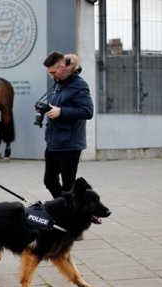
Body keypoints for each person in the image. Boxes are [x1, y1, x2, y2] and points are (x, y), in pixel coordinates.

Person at [41, 51, 94, 199]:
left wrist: (61, 112)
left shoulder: (79, 85)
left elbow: (87, 111)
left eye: (53, 72)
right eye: (49, 73)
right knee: (49, 181)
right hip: (53, 141)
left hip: (70, 144)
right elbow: (59, 106)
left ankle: (69, 215)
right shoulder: (60, 83)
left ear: (62, 67)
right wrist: (46, 108)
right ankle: (63, 207)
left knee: (68, 186)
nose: (52, 76)